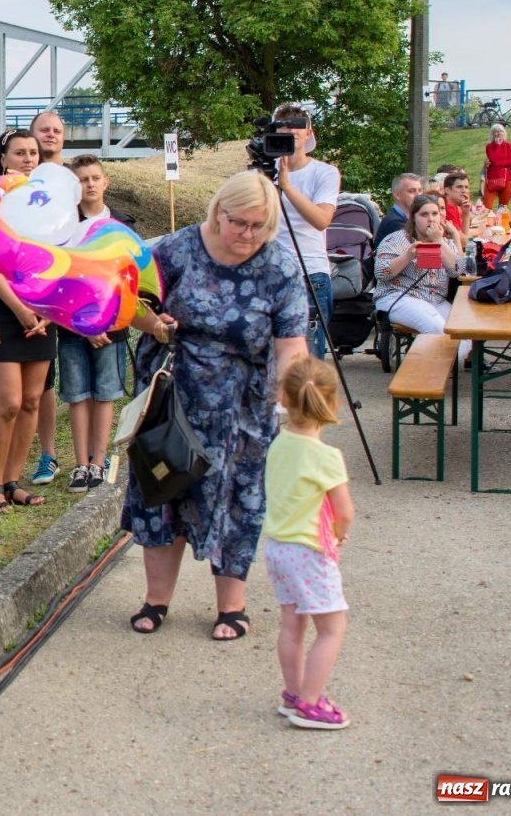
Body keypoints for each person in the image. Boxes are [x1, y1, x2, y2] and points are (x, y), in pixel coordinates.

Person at [124, 171, 309, 641]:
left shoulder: (280, 267)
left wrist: (298, 402)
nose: (248, 235)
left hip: (241, 408)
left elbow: (291, 346)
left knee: (236, 500)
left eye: (259, 226)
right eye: (239, 223)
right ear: (217, 212)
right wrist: (155, 322)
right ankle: (156, 599)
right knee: (162, 495)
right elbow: (129, 306)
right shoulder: (174, 251)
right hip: (172, 399)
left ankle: (232, 605)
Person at [263, 355, 354, 730]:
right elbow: (344, 512)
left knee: (292, 625)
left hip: (276, 548)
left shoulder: (279, 443)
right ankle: (311, 703)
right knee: (332, 628)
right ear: (332, 403)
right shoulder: (327, 457)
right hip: (308, 552)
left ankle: (293, 691)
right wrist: (336, 536)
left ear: (283, 398)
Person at [0, 130, 57, 510]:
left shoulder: (47, 204)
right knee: (9, 401)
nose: (28, 159)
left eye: (33, 153)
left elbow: (60, 256)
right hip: (4, 311)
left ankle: (13, 482)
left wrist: (48, 307)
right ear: (3, 159)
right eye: (19, 153)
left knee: (32, 401)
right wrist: (20, 308)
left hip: (43, 311)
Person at [54, 153, 133, 490]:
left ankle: (99, 462)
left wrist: (104, 323)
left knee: (104, 394)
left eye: (94, 178)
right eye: (82, 180)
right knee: (77, 394)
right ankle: (80, 464)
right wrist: (82, 324)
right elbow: (58, 280)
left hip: (111, 326)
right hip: (72, 326)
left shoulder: (121, 224)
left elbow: (128, 280)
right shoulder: (61, 227)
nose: (89, 185)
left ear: (105, 182)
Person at [270, 104, 339, 360]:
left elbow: (321, 220)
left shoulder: (324, 173)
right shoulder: (265, 171)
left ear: (308, 133)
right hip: (270, 275)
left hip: (310, 275)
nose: (288, 131)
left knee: (307, 362)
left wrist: (286, 186)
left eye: (295, 127)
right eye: (282, 127)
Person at [374, 194, 470, 362]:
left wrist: (439, 241)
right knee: (437, 329)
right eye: (424, 215)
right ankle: (426, 372)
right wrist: (407, 256)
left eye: (435, 214)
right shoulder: (396, 239)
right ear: (413, 217)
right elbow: (381, 272)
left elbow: (458, 271)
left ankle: (434, 367)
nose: (431, 219)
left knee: (464, 331)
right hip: (399, 296)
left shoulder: (444, 241)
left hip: (435, 298)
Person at [26, 109, 67, 483]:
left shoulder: (69, 179)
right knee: (41, 382)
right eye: (44, 130)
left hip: (65, 288)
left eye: (56, 130)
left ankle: (84, 455)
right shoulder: (21, 182)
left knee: (84, 372)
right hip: (30, 293)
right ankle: (44, 455)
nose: (50, 135)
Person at [375, 173, 423, 246]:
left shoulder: (403, 217)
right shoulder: (394, 222)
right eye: (411, 191)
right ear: (397, 195)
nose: (418, 195)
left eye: (420, 190)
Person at [482, 124, 511, 210]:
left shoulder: (509, 146)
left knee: (503, 207)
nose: (498, 133)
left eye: (500, 131)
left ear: (504, 133)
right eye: (496, 132)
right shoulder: (489, 147)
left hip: (506, 178)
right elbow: (493, 159)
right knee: (487, 207)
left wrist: (497, 163)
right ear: (492, 134)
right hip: (492, 178)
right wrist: (498, 146)